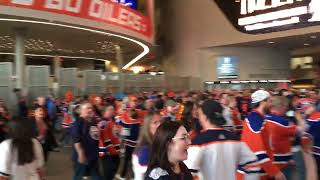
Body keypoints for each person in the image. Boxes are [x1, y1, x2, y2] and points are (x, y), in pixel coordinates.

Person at [184, 100, 256, 180]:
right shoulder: (236, 139)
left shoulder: (198, 142)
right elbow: (253, 165)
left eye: (199, 115)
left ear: (205, 117)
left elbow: (186, 171)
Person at [240, 90, 286, 180]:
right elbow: (257, 152)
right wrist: (275, 172)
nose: (271, 104)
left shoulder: (259, 119)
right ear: (262, 102)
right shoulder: (255, 120)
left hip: (258, 171)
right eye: (270, 101)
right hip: (253, 173)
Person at [71, 103, 101, 180]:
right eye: (88, 108)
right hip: (83, 156)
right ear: (81, 111)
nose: (91, 110)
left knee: (96, 176)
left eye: (91, 108)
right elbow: (76, 140)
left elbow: (95, 137)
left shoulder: (92, 122)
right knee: (78, 176)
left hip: (93, 155)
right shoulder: (77, 123)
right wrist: (81, 154)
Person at [132, 111, 163, 180]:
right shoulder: (145, 149)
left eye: (161, 121)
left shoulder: (157, 143)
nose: (160, 125)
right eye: (155, 122)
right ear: (147, 126)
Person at [98, 105, 121, 180]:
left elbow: (118, 133)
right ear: (105, 111)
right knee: (108, 172)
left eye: (113, 109)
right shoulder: (102, 122)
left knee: (115, 168)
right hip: (107, 152)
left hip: (115, 150)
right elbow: (99, 136)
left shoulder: (114, 121)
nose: (112, 111)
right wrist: (103, 150)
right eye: (110, 109)